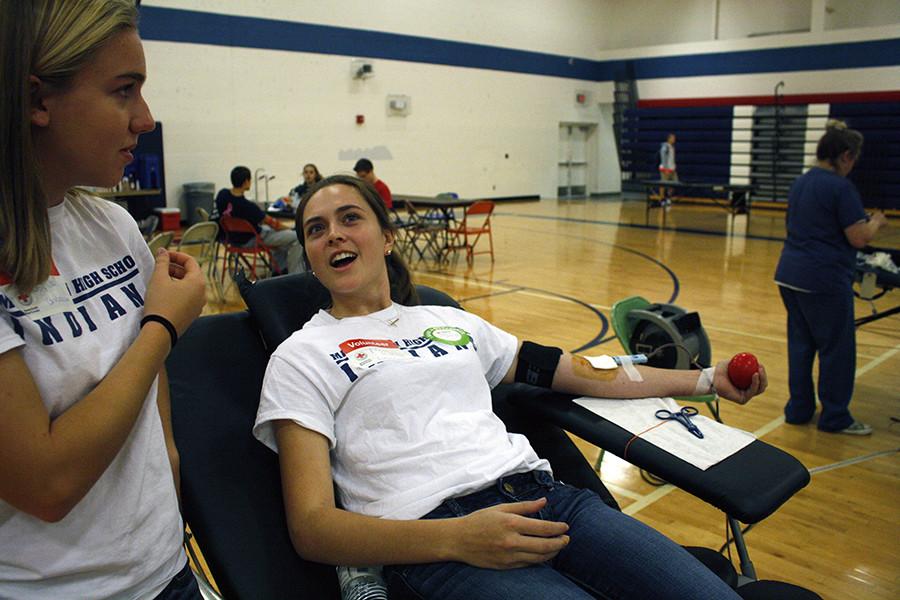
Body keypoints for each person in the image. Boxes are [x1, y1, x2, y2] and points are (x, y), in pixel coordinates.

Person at [253, 174, 768, 599]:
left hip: (550, 502)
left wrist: (705, 378)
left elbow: (581, 370)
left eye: (350, 218)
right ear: (310, 257)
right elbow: (313, 527)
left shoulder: (448, 322)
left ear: (387, 237)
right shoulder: (301, 356)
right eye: (316, 230)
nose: (334, 235)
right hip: (439, 538)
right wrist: (455, 538)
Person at [0, 1, 208, 598]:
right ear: (39, 101)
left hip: (165, 570)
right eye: (124, 91)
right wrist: (162, 327)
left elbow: (150, 384)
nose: (144, 119)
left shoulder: (114, 226)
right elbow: (46, 484)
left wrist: (167, 461)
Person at [774, 122, 887, 435]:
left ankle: (798, 410)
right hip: (822, 280)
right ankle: (835, 416)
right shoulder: (840, 187)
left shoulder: (801, 182)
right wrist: (875, 222)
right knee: (836, 349)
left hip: (789, 275)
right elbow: (858, 237)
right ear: (846, 156)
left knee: (801, 345)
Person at [215, 165, 304, 274]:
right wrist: (290, 229)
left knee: (276, 234)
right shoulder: (248, 206)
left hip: (231, 239)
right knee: (296, 237)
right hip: (252, 241)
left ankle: (279, 269)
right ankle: (294, 274)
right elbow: (273, 224)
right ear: (246, 181)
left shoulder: (222, 195)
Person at [658, 132, 677, 205]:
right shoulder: (665, 147)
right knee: (663, 184)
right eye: (673, 138)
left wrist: (674, 167)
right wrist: (665, 169)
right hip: (665, 169)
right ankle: (661, 199)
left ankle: (668, 198)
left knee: (674, 184)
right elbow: (663, 158)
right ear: (669, 139)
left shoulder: (672, 147)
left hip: (672, 169)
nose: (674, 139)